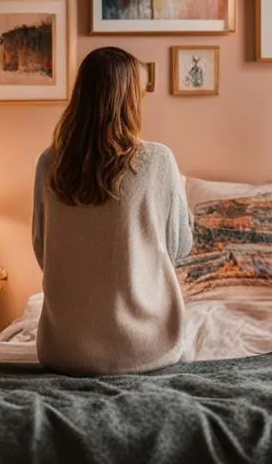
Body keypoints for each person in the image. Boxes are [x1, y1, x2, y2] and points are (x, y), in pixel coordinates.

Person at [32, 47, 192, 375]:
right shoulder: (158, 161)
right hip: (146, 351)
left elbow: (41, 249)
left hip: (63, 351)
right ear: (131, 98)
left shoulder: (49, 163)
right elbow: (180, 247)